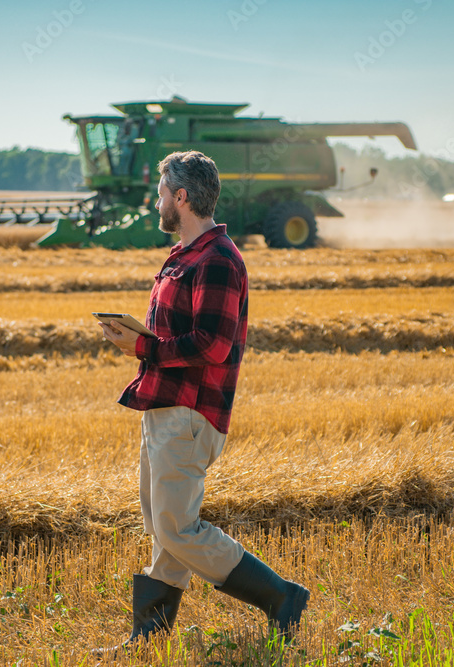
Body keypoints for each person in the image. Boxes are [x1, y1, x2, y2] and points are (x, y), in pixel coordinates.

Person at [95, 151, 309, 656]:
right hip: (165, 405)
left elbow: (213, 345)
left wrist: (141, 346)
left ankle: (281, 597)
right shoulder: (184, 255)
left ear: (182, 197)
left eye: (163, 192)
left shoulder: (217, 260)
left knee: (176, 526)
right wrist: (138, 340)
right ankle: (149, 636)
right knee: (162, 527)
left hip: (191, 412)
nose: (158, 201)